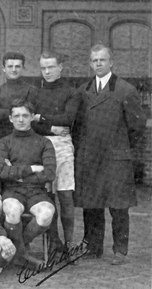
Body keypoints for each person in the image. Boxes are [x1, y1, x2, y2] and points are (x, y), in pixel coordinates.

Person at [73, 44, 146, 265]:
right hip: (91, 156)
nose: (98, 64)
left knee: (118, 206)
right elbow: (77, 126)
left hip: (116, 156)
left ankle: (120, 250)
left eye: (102, 60)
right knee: (92, 204)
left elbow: (137, 127)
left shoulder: (125, 90)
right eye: (94, 61)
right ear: (90, 64)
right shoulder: (83, 90)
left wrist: (121, 147)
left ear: (111, 62)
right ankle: (93, 247)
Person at [0, 98, 56, 268]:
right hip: (13, 191)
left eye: (25, 115)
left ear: (32, 117)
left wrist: (17, 173)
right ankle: (22, 254)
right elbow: (3, 172)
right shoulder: (3, 142)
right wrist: (33, 168)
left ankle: (18, 250)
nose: (21, 119)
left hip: (37, 192)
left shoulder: (44, 142)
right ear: (10, 118)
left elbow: (49, 173)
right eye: (16, 116)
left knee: (47, 213)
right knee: (12, 210)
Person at [32, 51, 80, 257]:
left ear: (60, 67)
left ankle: (69, 244)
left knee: (66, 195)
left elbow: (68, 118)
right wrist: (51, 127)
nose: (47, 71)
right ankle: (54, 242)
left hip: (63, 147)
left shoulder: (71, 92)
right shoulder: (36, 93)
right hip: (42, 145)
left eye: (51, 67)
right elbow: (32, 125)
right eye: (43, 68)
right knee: (47, 196)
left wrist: (41, 117)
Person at [0, 51, 38, 140]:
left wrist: (3, 112)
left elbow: (31, 114)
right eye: (10, 66)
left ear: (23, 68)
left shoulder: (31, 90)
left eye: (17, 66)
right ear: (4, 68)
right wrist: (19, 112)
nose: (14, 70)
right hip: (2, 136)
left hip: (25, 137)